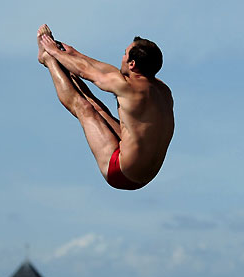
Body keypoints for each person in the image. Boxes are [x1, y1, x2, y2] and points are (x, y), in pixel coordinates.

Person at [37, 24, 174, 190]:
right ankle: (60, 67)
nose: (122, 57)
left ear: (131, 64)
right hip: (145, 173)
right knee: (98, 109)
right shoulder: (163, 90)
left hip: (122, 173)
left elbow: (84, 71)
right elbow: (101, 69)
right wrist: (73, 53)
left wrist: (54, 52)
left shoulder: (127, 87)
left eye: (125, 54)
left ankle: (48, 60)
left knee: (85, 108)